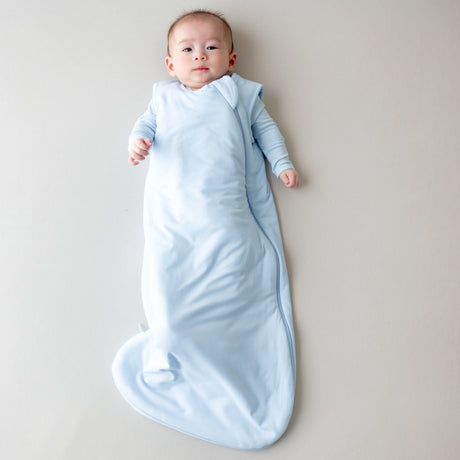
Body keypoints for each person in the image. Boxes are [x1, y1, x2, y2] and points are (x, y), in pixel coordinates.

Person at [112, 9, 299, 450]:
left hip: (225, 216)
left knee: (235, 274)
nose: (200, 56)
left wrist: (282, 163)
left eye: (212, 48)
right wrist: (138, 142)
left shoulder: (240, 95)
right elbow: (144, 126)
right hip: (176, 217)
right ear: (170, 64)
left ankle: (233, 342)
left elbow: (267, 132)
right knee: (169, 280)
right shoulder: (163, 99)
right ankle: (174, 341)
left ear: (230, 60)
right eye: (188, 49)